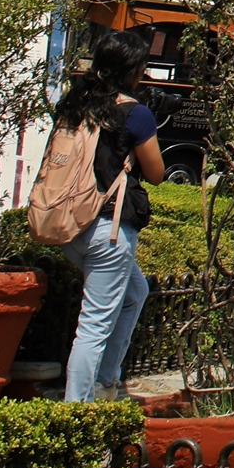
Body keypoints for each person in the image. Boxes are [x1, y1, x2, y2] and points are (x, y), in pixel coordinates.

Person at [47, 29, 165, 403]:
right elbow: (157, 173)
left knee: (135, 292)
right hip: (107, 229)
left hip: (69, 224)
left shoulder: (74, 104)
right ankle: (78, 411)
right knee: (93, 327)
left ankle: (106, 381)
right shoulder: (136, 113)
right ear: (134, 69)